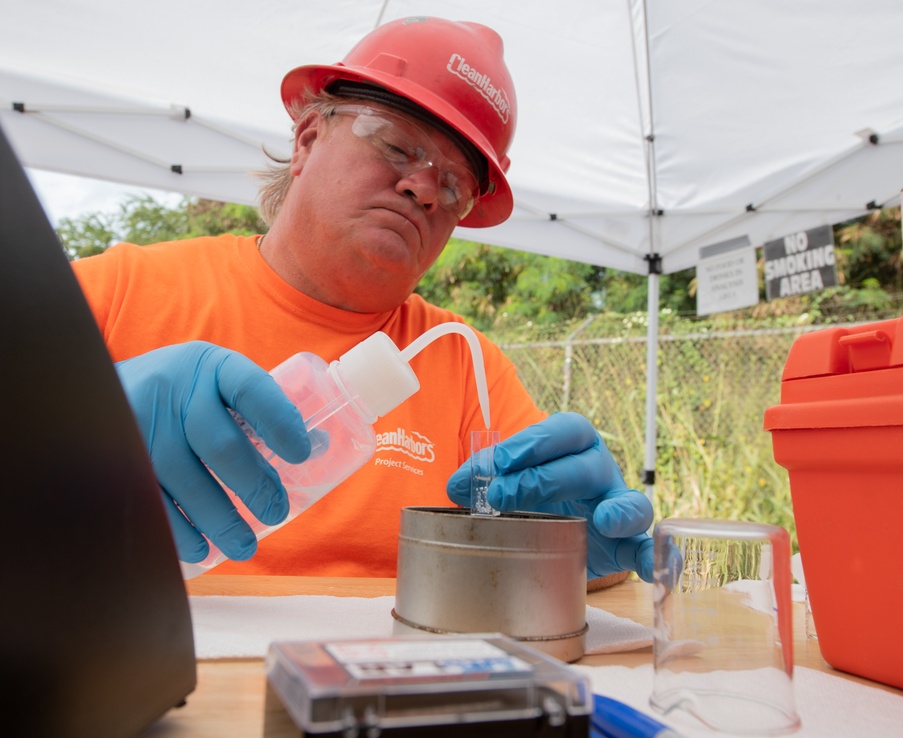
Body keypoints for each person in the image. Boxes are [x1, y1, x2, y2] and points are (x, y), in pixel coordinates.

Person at [71, 16, 654, 582]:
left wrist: (568, 550)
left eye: (454, 185)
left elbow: (544, 556)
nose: (423, 187)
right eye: (396, 146)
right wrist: (70, 424)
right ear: (307, 139)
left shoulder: (464, 365)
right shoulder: (120, 291)